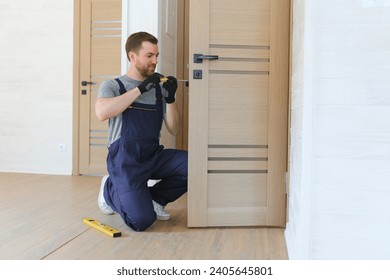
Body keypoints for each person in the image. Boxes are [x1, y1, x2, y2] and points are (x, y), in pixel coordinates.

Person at [95, 31, 188, 232]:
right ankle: (109, 189)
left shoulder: (159, 90)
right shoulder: (114, 86)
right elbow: (102, 113)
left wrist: (170, 99)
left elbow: (175, 129)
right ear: (132, 56)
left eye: (156, 56)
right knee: (141, 221)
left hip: (152, 155)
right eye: (149, 56)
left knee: (194, 166)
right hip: (125, 161)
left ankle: (156, 199)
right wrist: (140, 90)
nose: (155, 61)